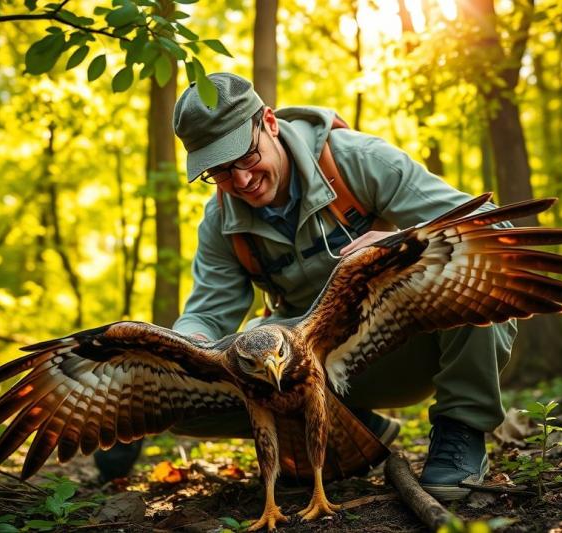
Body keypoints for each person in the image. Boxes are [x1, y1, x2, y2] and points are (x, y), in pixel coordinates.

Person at [100, 72, 517, 501]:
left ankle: (461, 430)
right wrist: (185, 347)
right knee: (178, 393)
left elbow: (495, 234)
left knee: (472, 269)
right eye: (219, 171)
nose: (241, 180)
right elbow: (207, 314)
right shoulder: (221, 222)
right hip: (315, 371)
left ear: (269, 123)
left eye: (244, 156)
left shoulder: (360, 161)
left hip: (413, 345)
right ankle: (347, 429)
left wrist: (400, 244)